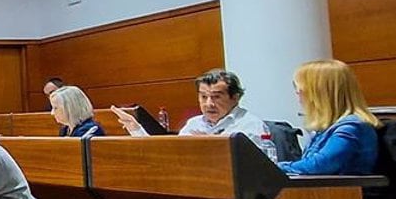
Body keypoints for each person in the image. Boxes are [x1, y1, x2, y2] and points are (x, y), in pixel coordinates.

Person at [113, 69, 269, 147]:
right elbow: (171, 156)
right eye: (203, 96)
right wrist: (136, 129)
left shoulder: (251, 125)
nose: (208, 103)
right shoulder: (194, 124)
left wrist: (214, 145)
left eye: (216, 97)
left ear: (235, 97)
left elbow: (257, 170)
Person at [280, 59, 380, 176]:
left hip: (347, 193)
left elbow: (320, 166)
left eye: (300, 90)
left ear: (318, 94)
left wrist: (275, 167)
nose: (298, 96)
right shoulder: (324, 129)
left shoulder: (352, 127)